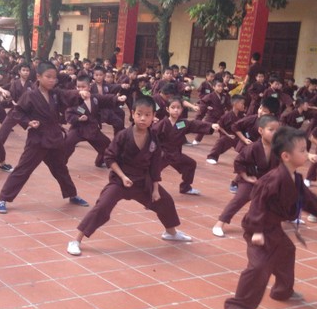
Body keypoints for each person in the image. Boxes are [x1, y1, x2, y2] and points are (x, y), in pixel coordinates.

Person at [224, 127, 317, 309]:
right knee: (258, 267)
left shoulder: (296, 179)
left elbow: (312, 203)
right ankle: (237, 306)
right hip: (259, 228)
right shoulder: (272, 179)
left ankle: (283, 291)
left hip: (274, 228)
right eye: (302, 150)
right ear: (285, 156)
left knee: (286, 252)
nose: (307, 154)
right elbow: (258, 205)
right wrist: (257, 231)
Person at [66, 95, 192, 256]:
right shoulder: (123, 135)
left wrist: (155, 189)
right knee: (102, 207)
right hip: (120, 181)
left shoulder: (153, 139)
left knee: (165, 201)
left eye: (147, 115)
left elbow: (154, 166)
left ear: (154, 117)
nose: (143, 118)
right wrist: (123, 176)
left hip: (142, 181)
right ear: (133, 113)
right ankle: (76, 240)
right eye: (139, 114)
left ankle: (171, 232)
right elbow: (109, 157)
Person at [0, 61, 88, 214]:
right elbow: (17, 112)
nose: (52, 80)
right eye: (48, 77)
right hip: (37, 140)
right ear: (38, 77)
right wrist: (28, 122)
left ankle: (72, 195)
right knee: (23, 169)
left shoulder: (55, 93)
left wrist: (80, 94)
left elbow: (68, 95)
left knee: (60, 169)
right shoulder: (30, 95)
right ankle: (3, 199)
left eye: (54, 77)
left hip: (55, 138)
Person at [212, 115, 280, 237]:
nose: (274, 133)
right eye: (271, 130)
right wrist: (246, 177)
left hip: (265, 181)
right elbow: (238, 162)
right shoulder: (253, 147)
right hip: (249, 180)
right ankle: (219, 223)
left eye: (277, 130)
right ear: (260, 130)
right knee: (239, 200)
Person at [153, 96, 214, 195]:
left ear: (182, 109)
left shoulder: (182, 123)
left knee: (190, 164)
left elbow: (194, 124)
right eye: (173, 107)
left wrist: (211, 126)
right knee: (153, 172)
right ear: (168, 109)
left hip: (176, 154)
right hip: (163, 155)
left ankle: (185, 187)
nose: (176, 110)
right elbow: (152, 137)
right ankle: (146, 190)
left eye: (178, 108)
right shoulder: (162, 124)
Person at [64, 75, 125, 168]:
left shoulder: (95, 98)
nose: (81, 89)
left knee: (106, 145)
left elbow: (106, 98)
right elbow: (68, 114)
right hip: (78, 129)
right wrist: (78, 118)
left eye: (83, 87)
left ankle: (100, 161)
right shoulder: (73, 100)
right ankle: (60, 164)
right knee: (67, 144)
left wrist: (117, 98)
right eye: (78, 87)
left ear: (89, 87)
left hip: (92, 128)